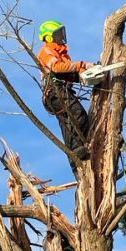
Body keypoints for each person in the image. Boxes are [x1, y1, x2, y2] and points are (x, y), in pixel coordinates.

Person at [38, 20, 94, 160]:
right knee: (77, 113)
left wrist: (87, 73)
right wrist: (81, 65)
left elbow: (69, 73)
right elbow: (57, 68)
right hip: (54, 91)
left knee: (72, 121)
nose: (61, 37)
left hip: (63, 91)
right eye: (57, 34)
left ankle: (81, 150)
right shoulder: (47, 51)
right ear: (49, 37)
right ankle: (76, 149)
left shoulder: (62, 54)